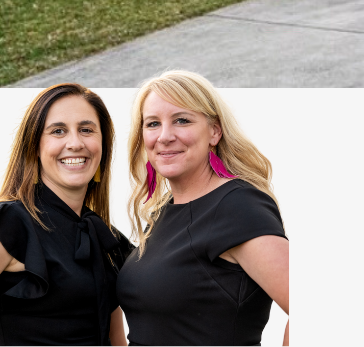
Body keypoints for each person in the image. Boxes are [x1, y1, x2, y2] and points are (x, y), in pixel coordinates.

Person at [117, 72, 288, 346]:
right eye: (152, 124)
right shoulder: (163, 211)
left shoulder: (238, 206)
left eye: (181, 120)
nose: (164, 136)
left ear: (214, 131)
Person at [0, 84, 130, 346]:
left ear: (103, 145)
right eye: (58, 131)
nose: (75, 143)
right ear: (34, 147)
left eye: (86, 130)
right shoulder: (5, 224)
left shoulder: (106, 237)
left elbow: (116, 341)